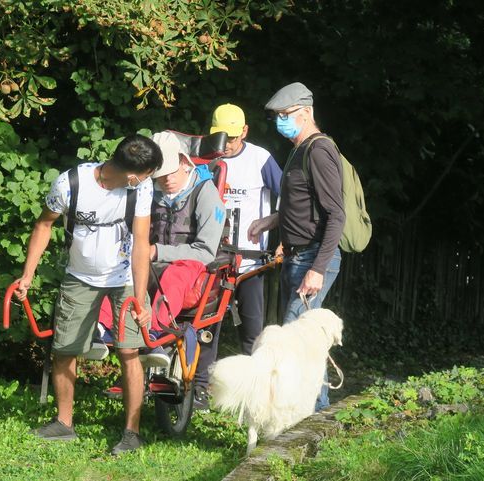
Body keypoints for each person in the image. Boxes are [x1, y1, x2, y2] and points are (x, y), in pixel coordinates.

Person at [13, 134, 162, 454]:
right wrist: (28, 274)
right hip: (79, 277)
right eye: (149, 173)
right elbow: (43, 225)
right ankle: (64, 424)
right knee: (65, 349)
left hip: (123, 278)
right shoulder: (70, 184)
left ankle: (131, 433)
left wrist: (139, 298)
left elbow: (140, 244)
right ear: (134, 174)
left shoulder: (142, 189)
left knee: (129, 351)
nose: (150, 180)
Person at [99, 130, 226, 411]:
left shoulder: (205, 194)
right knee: (121, 274)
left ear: (184, 162)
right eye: (160, 174)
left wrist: (157, 252)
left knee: (174, 275)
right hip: (150, 263)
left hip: (192, 267)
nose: (166, 179)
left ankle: (154, 335)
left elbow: (205, 251)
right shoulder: (148, 191)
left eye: (171, 172)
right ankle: (104, 328)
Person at [247, 82, 345, 409]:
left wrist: (317, 269)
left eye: (285, 115)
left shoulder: (319, 150)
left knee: (293, 344)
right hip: (296, 256)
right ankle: (316, 416)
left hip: (314, 259)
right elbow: (303, 205)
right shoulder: (298, 150)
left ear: (306, 113)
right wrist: (273, 224)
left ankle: (307, 418)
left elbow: (335, 214)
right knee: (304, 344)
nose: (280, 121)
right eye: (276, 116)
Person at [209, 103, 282, 355]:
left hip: (250, 262)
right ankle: (200, 387)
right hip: (212, 259)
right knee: (206, 329)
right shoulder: (208, 157)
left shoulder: (260, 158)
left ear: (244, 131)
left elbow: (291, 197)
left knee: (253, 334)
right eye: (220, 136)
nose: (225, 143)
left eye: (230, 137)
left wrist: (273, 219)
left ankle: (255, 389)